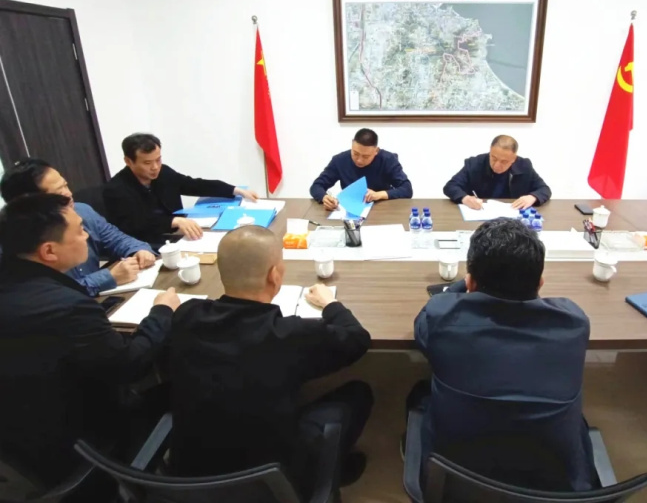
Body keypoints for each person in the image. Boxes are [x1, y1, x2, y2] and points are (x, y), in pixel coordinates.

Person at [168, 225, 373, 493]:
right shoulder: (291, 335)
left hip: (187, 481)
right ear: (274, 275)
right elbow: (357, 339)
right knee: (359, 393)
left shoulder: (186, 316)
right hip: (271, 484)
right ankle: (332, 467)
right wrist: (330, 304)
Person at [0, 193, 179, 495]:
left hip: (16, 438)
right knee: (178, 384)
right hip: (78, 441)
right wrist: (162, 311)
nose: (87, 236)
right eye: (80, 230)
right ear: (49, 250)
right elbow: (129, 366)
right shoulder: (67, 306)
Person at [411, 218, 595, 491]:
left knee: (418, 393)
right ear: (540, 283)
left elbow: (423, 321)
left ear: (471, 283)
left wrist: (460, 287)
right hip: (555, 489)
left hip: (457, 482)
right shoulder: (574, 322)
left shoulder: (443, 318)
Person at [0, 158, 156, 296]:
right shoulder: (19, 243)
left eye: (65, 185)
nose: (68, 194)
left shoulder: (82, 211)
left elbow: (118, 239)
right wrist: (108, 277)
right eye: (58, 192)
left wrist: (139, 251)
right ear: (30, 204)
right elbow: (50, 295)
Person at [103, 133, 258, 246]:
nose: (155, 167)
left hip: (180, 235)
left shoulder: (163, 172)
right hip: (146, 245)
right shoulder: (116, 189)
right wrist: (173, 221)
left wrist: (234, 190)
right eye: (147, 163)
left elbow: (194, 184)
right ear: (128, 161)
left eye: (158, 160)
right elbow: (134, 223)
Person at [310, 128, 412, 210]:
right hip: (351, 210)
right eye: (355, 153)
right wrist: (324, 197)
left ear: (376, 151)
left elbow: (407, 189)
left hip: (382, 209)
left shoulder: (387, 160)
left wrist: (379, 195)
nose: (359, 160)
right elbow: (316, 186)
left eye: (366, 157)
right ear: (352, 144)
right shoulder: (340, 160)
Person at [443, 135, 551, 210]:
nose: (497, 165)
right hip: (482, 216)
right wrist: (465, 198)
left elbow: (544, 189)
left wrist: (532, 197)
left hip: (513, 218)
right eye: (494, 158)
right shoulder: (475, 163)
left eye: (504, 161)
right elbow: (451, 186)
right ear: (490, 150)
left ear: (513, 159)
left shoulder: (524, 165)